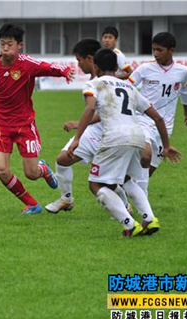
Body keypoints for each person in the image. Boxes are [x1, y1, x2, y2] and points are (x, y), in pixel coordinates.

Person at [67, 48, 181, 236]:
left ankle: (129, 224)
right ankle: (150, 219)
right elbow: (158, 118)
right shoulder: (130, 87)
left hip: (114, 137)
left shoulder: (95, 83)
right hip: (137, 136)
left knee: (95, 185)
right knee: (127, 179)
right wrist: (166, 146)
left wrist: (77, 138)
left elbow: (89, 109)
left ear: (95, 66)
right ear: (115, 66)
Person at [0, 24, 73, 214]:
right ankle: (32, 204)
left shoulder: (27, 64)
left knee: (31, 174)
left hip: (24, 125)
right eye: (2, 44)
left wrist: (64, 71)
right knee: (1, 171)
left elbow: (48, 67)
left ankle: (43, 169)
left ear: (19, 45)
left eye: (9, 44)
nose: (5, 48)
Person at [45, 38, 131, 214]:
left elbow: (107, 111)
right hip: (93, 133)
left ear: (90, 59)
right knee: (62, 159)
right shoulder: (94, 79)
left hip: (110, 135)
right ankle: (66, 199)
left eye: (79, 60)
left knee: (105, 181)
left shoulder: (105, 81)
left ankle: (125, 207)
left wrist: (78, 126)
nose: (78, 65)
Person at [128, 32, 187, 195]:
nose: (155, 54)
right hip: (143, 120)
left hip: (165, 126)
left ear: (171, 50)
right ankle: (143, 210)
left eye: (160, 50)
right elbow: (127, 87)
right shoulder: (145, 68)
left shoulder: (182, 71)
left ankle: (126, 190)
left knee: (148, 170)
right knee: (145, 157)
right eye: (153, 50)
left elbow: (185, 91)